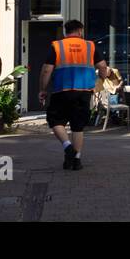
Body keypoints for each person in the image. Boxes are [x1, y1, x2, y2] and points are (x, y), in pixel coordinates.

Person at [38, 19, 110, 171]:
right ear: (80, 31)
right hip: (83, 92)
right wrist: (102, 79)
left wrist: (42, 89)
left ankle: (67, 146)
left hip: (61, 91)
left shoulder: (57, 46)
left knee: (55, 120)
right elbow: (102, 66)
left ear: (66, 32)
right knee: (78, 126)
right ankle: (76, 160)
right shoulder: (90, 46)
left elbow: (46, 70)